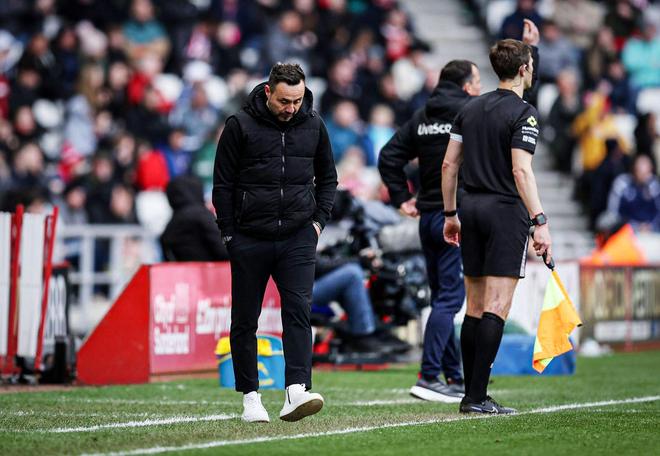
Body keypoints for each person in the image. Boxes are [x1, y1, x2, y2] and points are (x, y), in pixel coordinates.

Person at [213, 63, 337, 423]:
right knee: (245, 320)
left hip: (298, 236)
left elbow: (328, 179)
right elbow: (222, 185)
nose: (291, 108)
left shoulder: (314, 124)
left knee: (298, 311)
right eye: (284, 101)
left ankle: (296, 390)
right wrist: (230, 235)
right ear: (268, 91)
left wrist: (317, 224)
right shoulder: (239, 125)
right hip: (249, 238)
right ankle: (250, 398)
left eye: (297, 100)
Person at [441, 22, 550, 415]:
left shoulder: (469, 108)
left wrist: (450, 213)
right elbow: (521, 171)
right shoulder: (524, 113)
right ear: (523, 70)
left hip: (470, 208)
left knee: (474, 306)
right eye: (531, 64)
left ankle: (470, 394)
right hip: (505, 212)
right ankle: (476, 397)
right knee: (497, 306)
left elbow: (449, 165)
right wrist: (540, 220)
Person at [378, 59, 482, 403]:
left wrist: (401, 197)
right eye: (477, 81)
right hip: (455, 218)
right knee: (450, 300)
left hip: (428, 219)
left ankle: (454, 377)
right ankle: (428, 376)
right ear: (466, 86)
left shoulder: (422, 117)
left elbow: (388, 156)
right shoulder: (471, 112)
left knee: (441, 300)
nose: (480, 87)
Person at [160, 175, 229, 262]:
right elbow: (223, 250)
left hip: (185, 270)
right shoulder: (202, 215)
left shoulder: (171, 225)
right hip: (211, 268)